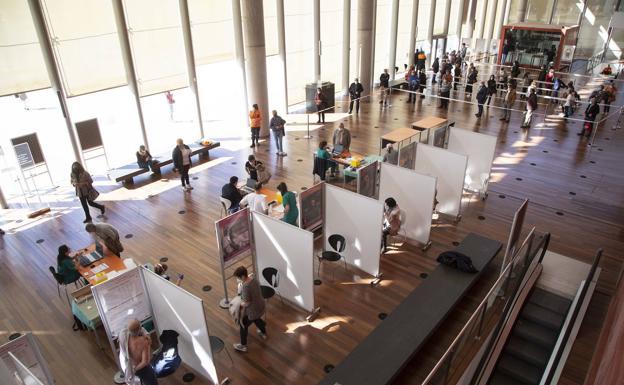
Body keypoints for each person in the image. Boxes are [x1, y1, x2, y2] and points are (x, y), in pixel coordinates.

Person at [232, 266, 267, 353]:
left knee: (243, 324)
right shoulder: (254, 280)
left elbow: (247, 302)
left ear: (243, 276)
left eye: (238, 278)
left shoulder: (246, 287)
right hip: (261, 305)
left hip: (253, 310)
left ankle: (243, 346)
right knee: (256, 319)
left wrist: (240, 304)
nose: (238, 280)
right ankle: (263, 332)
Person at [124, 319, 158, 385]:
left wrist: (132, 370)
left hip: (130, 366)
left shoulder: (124, 337)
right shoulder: (143, 341)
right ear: (140, 328)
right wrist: (135, 369)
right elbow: (145, 362)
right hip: (142, 368)